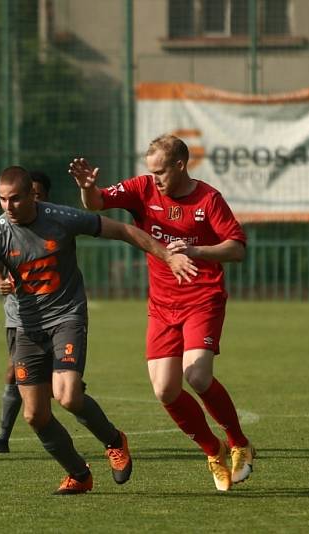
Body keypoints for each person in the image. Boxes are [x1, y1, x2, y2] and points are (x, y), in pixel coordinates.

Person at [0, 166, 196, 494]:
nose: (8, 207)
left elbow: (121, 230)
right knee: (34, 415)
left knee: (68, 395)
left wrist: (166, 256)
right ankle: (79, 473)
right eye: (2, 200)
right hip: (25, 328)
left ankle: (114, 441)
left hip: (66, 316)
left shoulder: (60, 217)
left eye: (15, 199)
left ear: (32, 195)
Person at [68, 134, 255, 492]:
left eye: (161, 172)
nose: (154, 178)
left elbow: (237, 248)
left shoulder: (208, 199)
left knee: (197, 376)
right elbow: (97, 203)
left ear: (181, 165)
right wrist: (86, 188)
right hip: (162, 305)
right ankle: (212, 450)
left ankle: (238, 442)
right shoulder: (143, 189)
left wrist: (196, 251)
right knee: (165, 390)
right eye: (151, 172)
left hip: (203, 297)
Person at [0, 170, 51, 455]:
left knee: (65, 387)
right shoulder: (2, 230)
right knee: (14, 372)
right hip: (20, 315)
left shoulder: (53, 225)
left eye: (37, 195)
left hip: (57, 313)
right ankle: (2, 437)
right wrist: (2, 283)